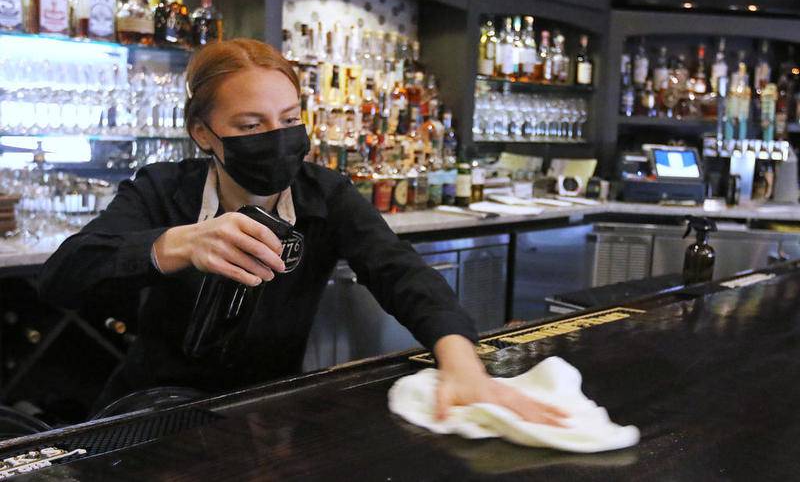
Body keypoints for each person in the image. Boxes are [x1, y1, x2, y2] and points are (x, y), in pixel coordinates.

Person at [38, 39, 565, 425]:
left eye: (289, 119)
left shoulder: (324, 195)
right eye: (250, 126)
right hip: (146, 413)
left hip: (265, 411)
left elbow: (400, 271)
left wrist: (460, 359)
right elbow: (66, 274)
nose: (277, 138)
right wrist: (177, 244)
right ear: (203, 133)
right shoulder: (163, 190)